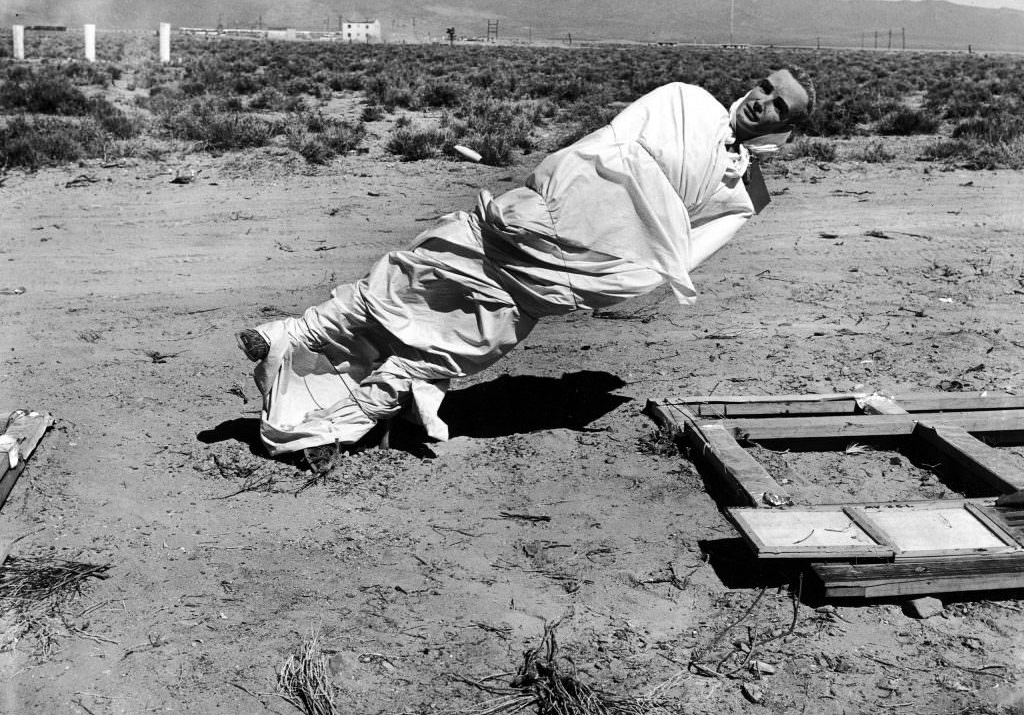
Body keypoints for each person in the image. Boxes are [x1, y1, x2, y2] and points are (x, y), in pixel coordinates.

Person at [237, 68, 814, 455]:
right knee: (425, 266)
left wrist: (614, 278)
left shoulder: (746, 192)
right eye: (765, 87)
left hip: (579, 264)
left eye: (778, 106)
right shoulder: (683, 99)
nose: (762, 102)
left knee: (474, 340)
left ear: (785, 127)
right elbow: (604, 147)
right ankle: (296, 332)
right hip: (535, 218)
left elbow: (683, 254)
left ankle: (355, 409)